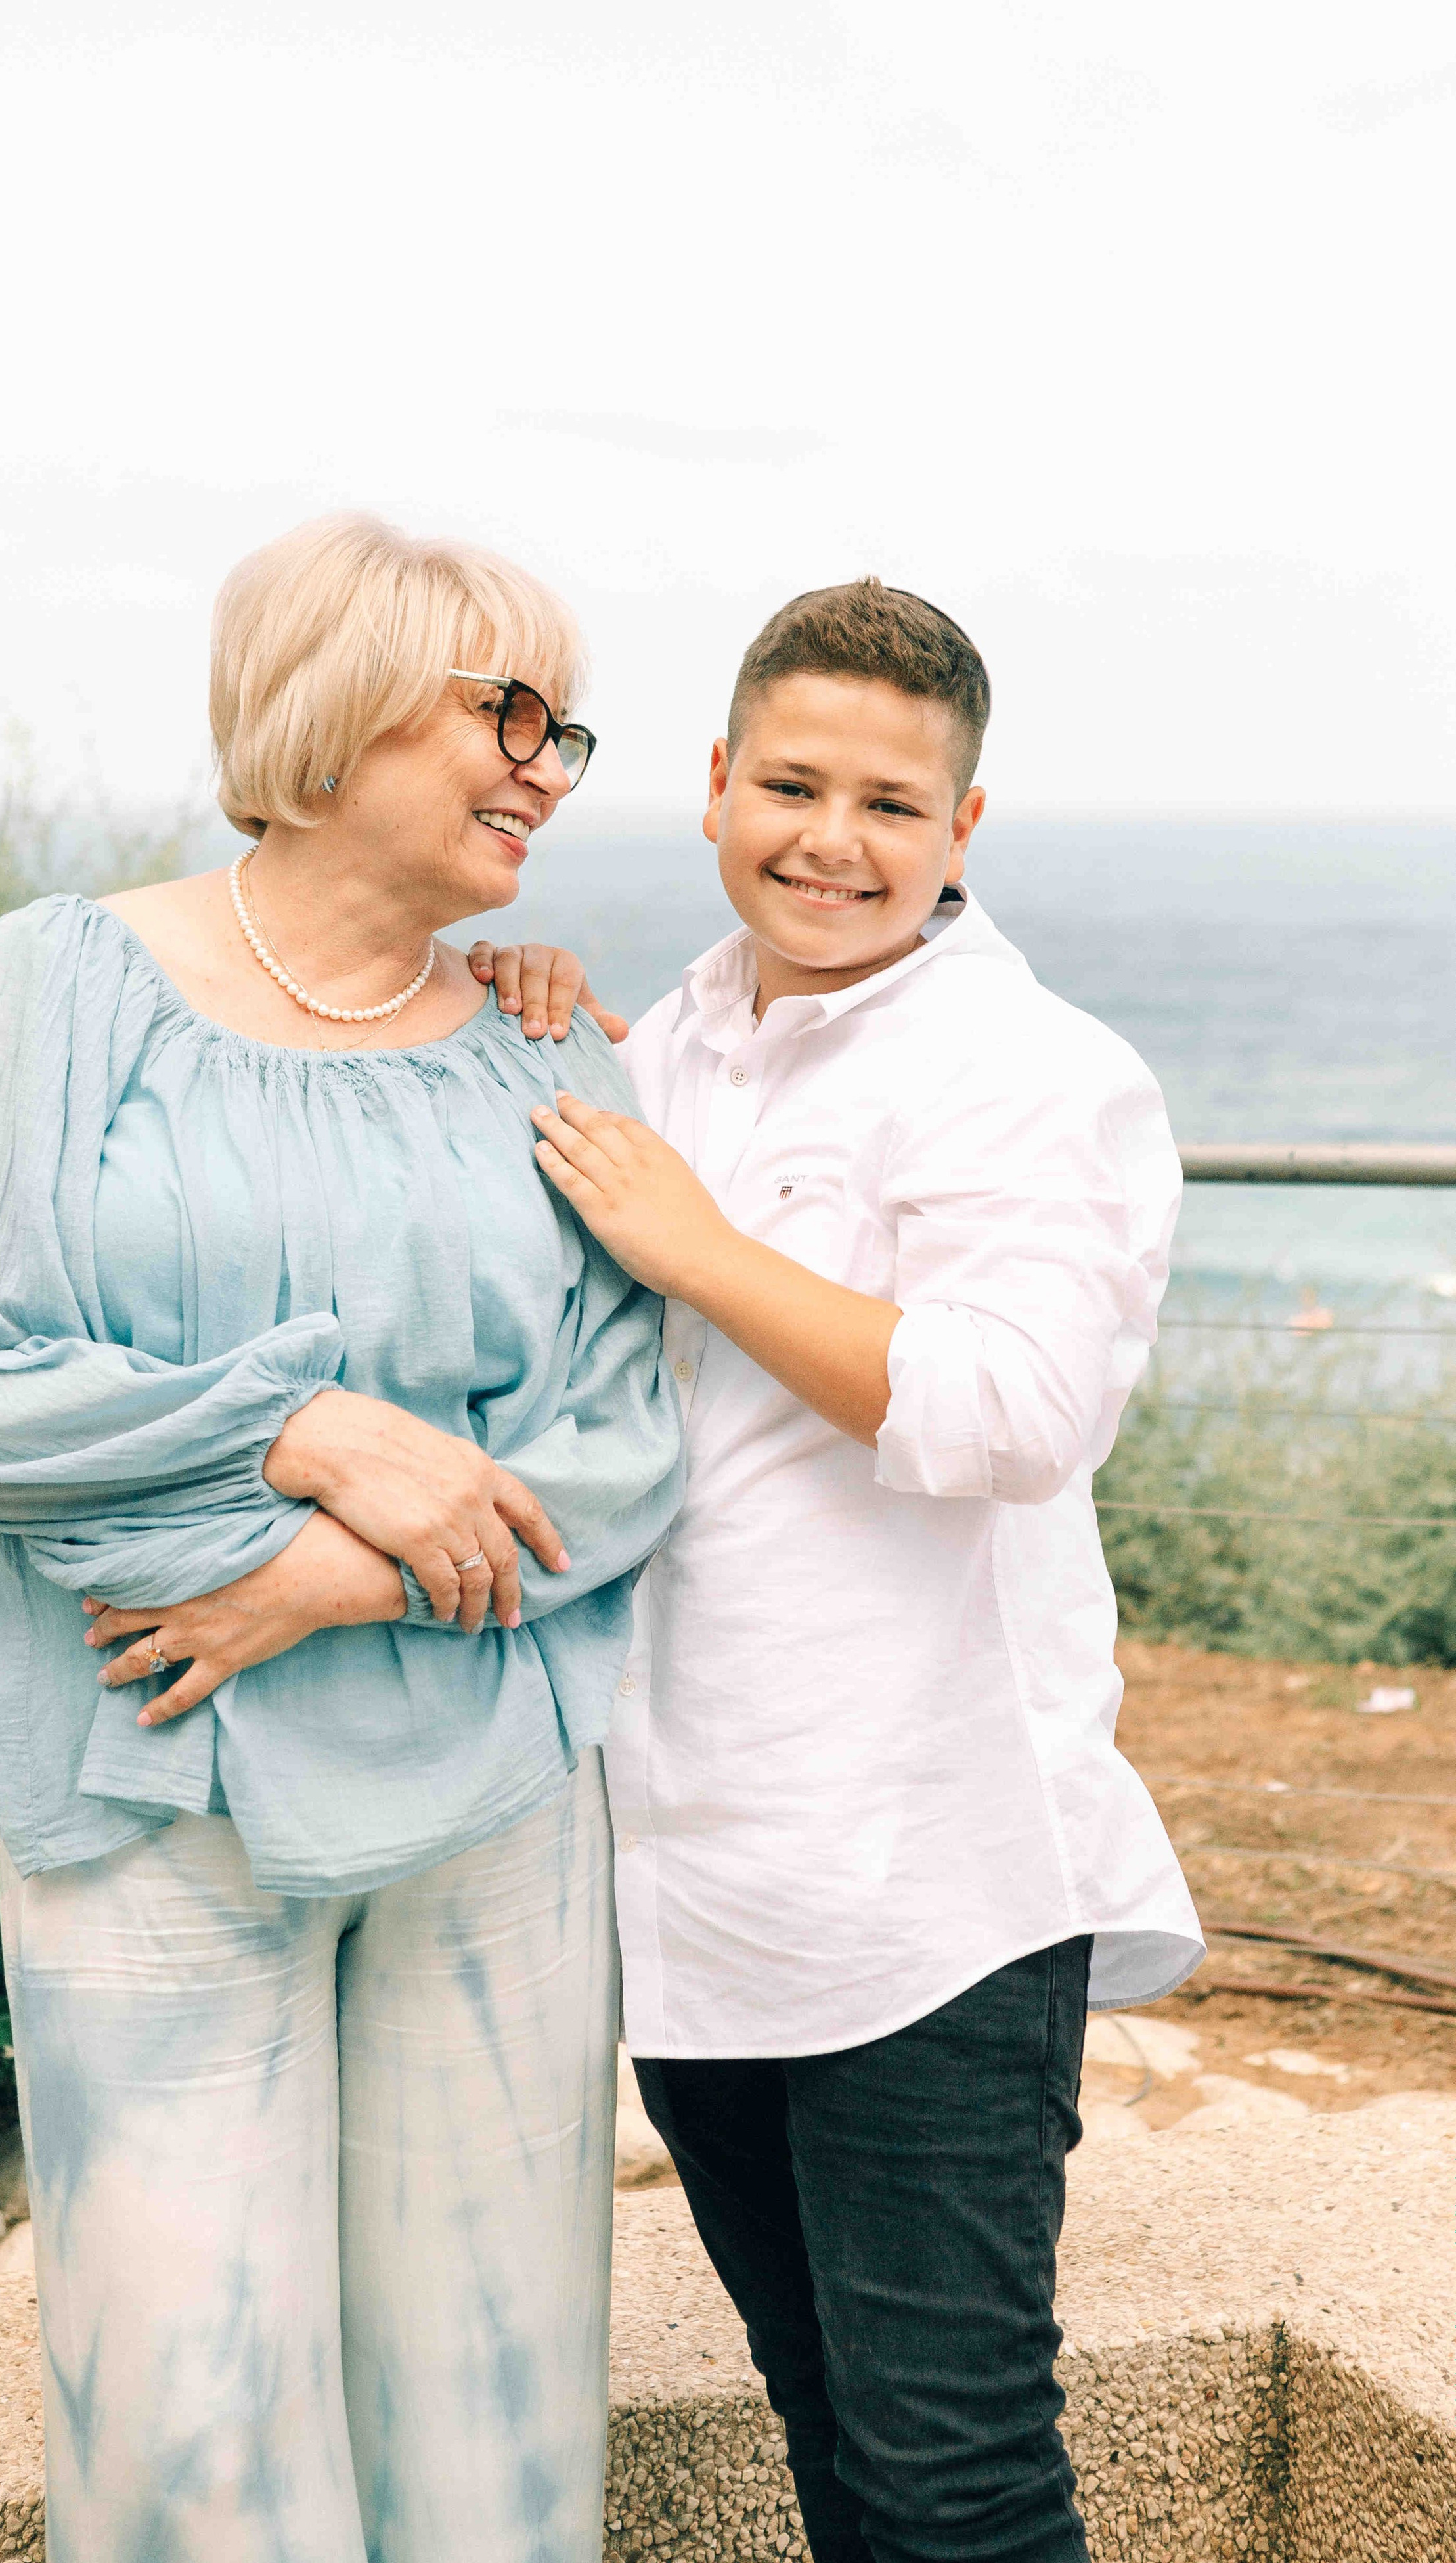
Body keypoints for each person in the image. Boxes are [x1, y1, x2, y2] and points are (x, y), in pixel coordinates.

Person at [0, 513, 684, 2563]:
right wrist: (313, 1432)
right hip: (152, 1786)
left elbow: (624, 1428)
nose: (546, 763)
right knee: (189, 2435)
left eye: (562, 726)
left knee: (496, 2419)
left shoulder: (544, 1034)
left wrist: (341, 1565)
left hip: (499, 1797)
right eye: (502, 707)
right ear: (333, 706)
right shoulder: (62, 985)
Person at [480, 578, 1204, 2562]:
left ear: (964, 831)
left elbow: (1016, 1410)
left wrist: (697, 1240)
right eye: (791, 784)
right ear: (716, 786)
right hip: (703, 1876)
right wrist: (516, 1018)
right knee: (829, 2423)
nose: (832, 839)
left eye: (893, 804)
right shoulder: (683, 1040)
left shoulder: (1035, 1071)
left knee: (954, 2475)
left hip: (934, 1890)